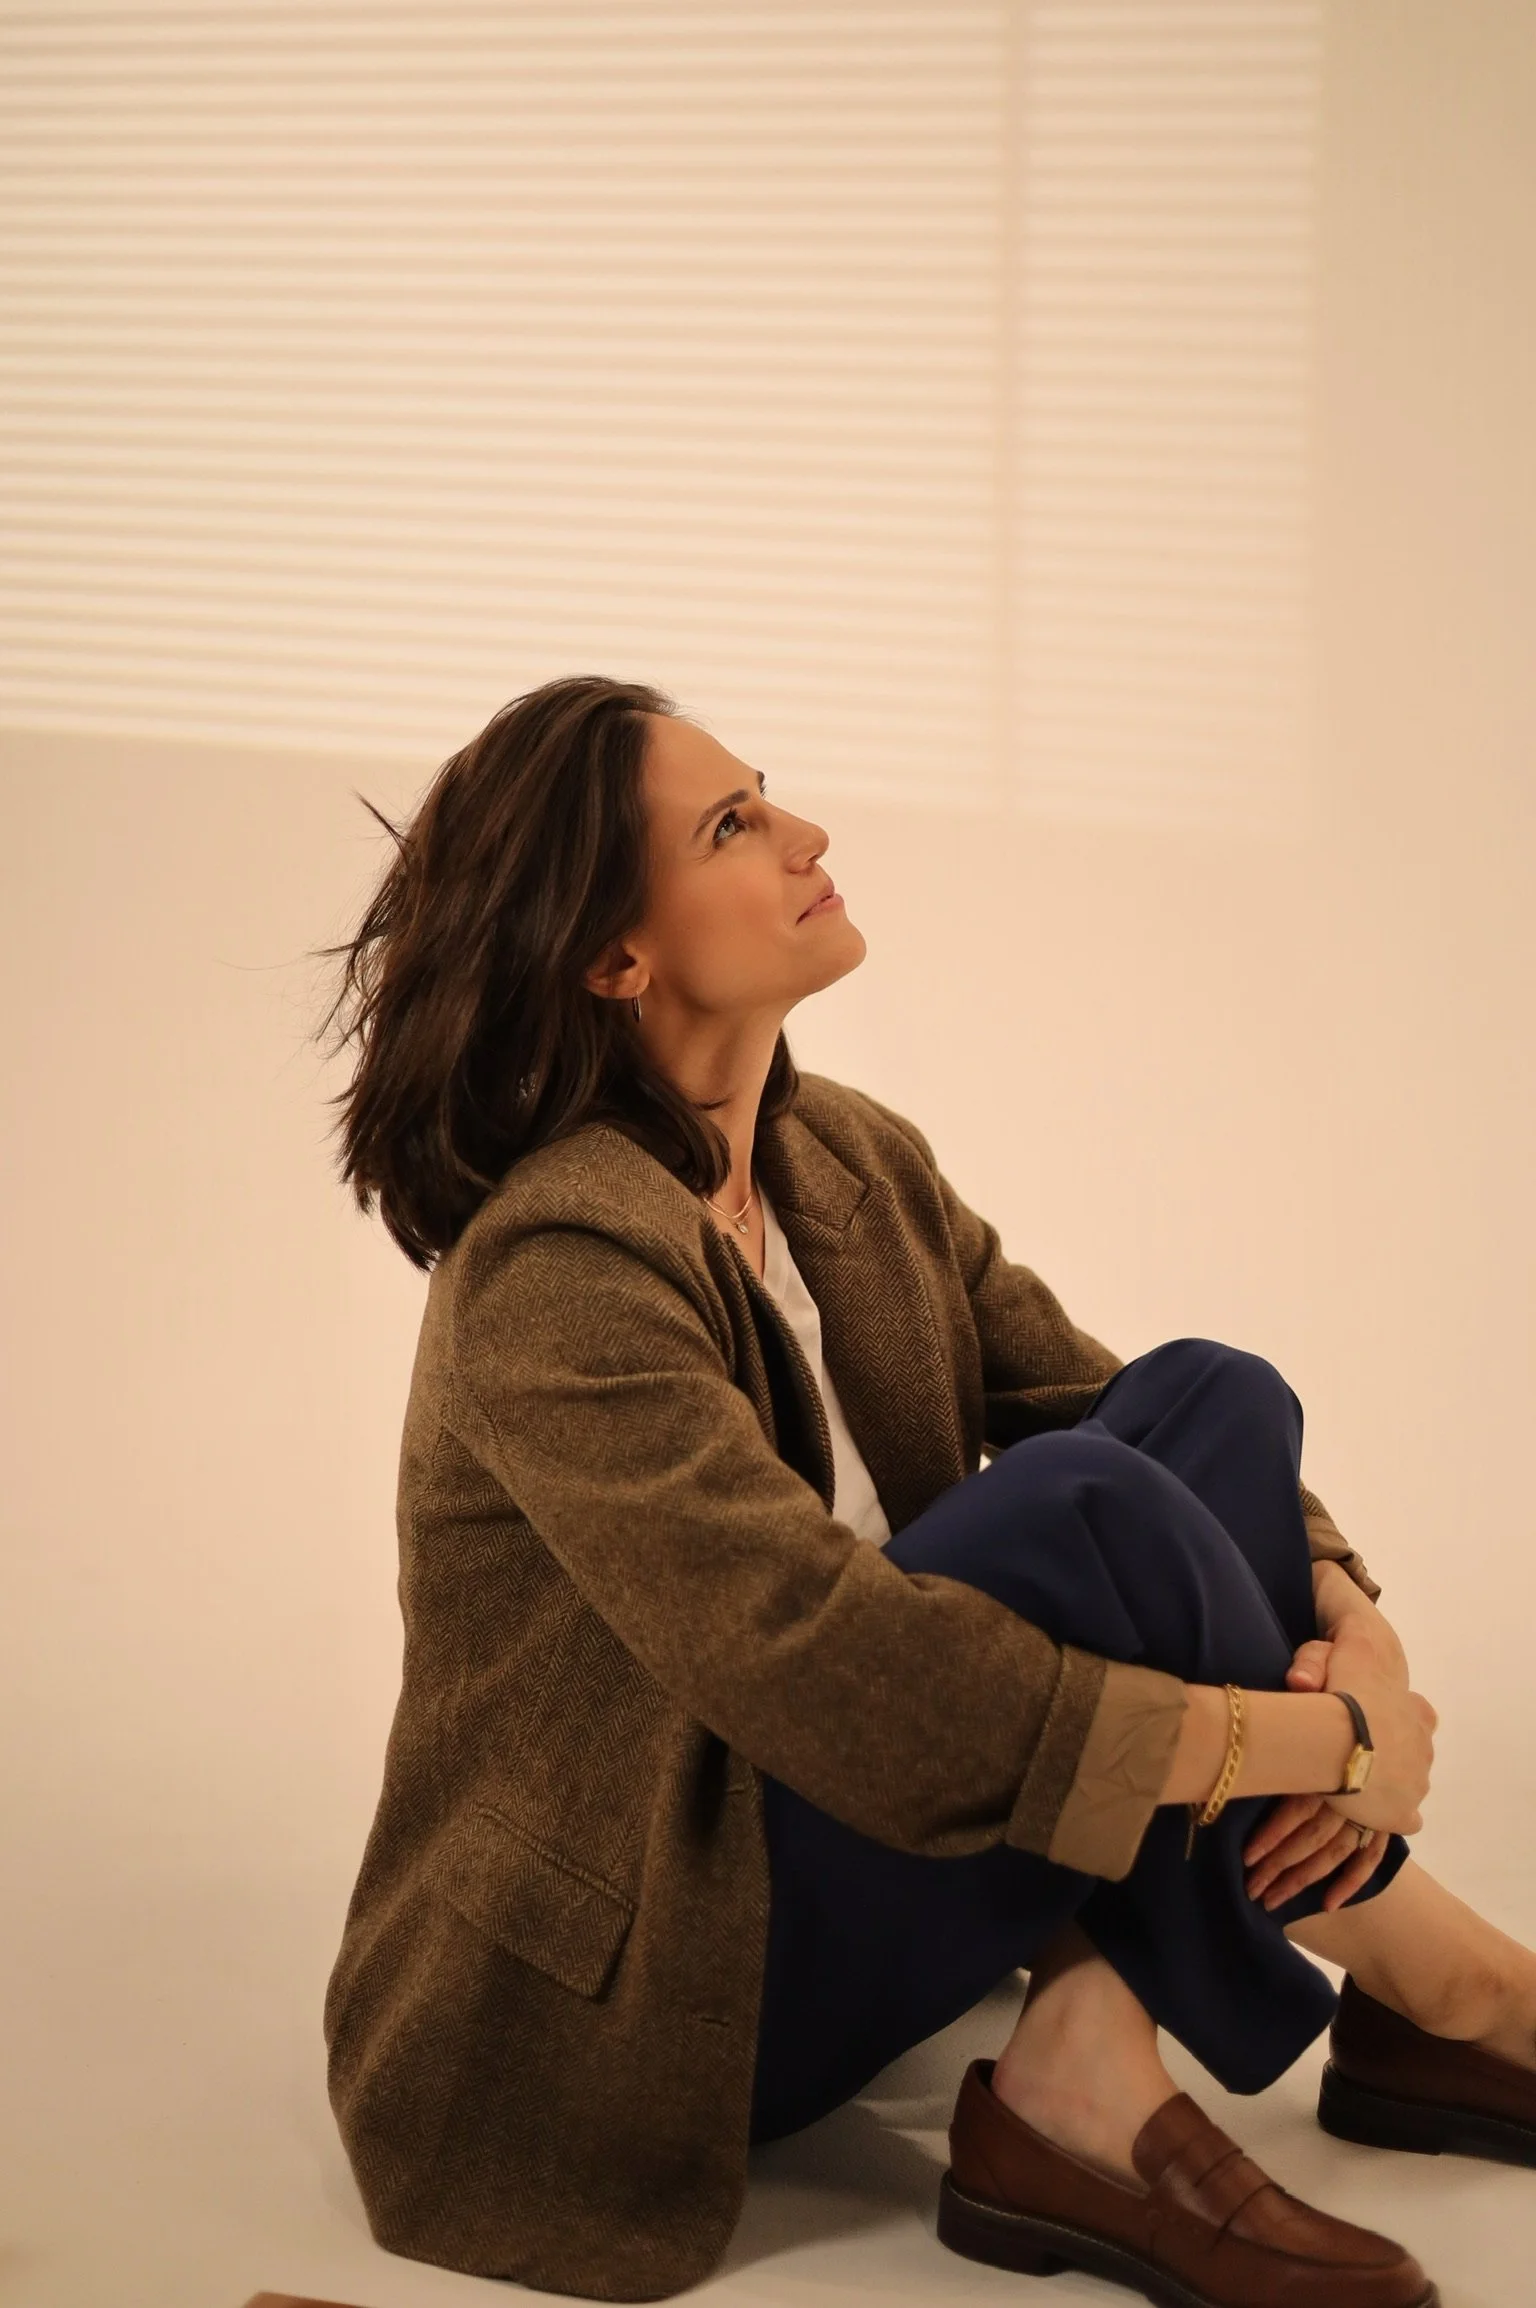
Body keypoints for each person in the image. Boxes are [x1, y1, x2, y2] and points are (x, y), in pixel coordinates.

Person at [312, 674, 1536, 2308]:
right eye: (735, 825)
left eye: (771, 792)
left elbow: (1120, 1407)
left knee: (1212, 1399)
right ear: (618, 957)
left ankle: (1088, 2045)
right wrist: (1321, 1750)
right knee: (1073, 1518)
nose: (807, 832)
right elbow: (826, 1659)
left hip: (885, 1816)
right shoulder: (555, 1267)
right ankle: (1440, 1984)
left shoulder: (848, 1161)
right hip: (655, 1966)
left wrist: (1357, 1636)